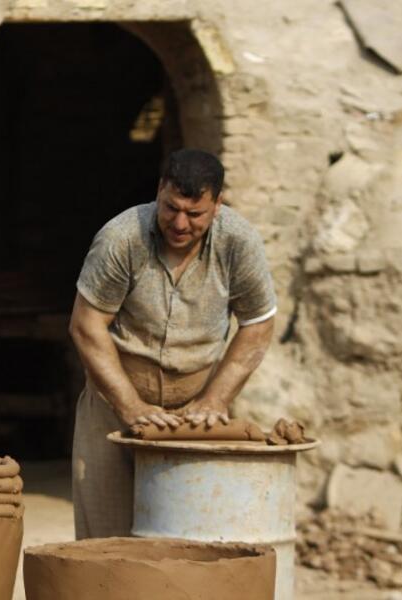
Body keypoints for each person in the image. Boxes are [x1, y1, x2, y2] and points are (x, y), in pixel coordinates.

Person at [69, 148, 277, 539]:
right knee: (105, 541)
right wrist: (130, 406)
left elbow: (258, 324)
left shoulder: (239, 242)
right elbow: (86, 326)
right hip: (113, 405)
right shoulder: (121, 238)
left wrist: (215, 399)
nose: (180, 223)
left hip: (195, 413)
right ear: (159, 191)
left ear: (217, 205)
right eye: (171, 208)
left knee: (187, 539)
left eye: (194, 213)